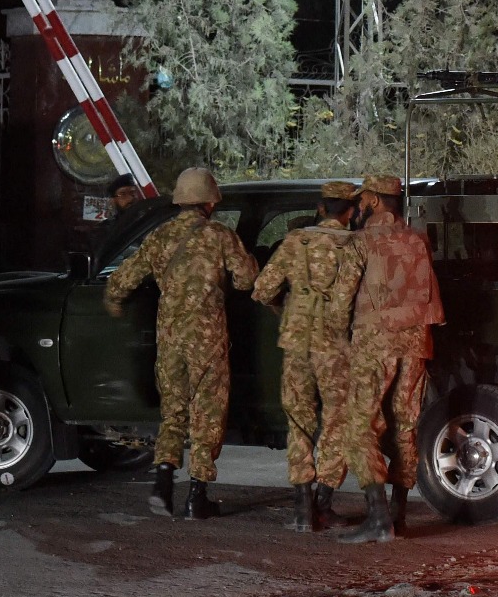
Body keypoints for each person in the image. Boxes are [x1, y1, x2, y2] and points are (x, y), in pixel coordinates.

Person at [104, 167, 258, 520]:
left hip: (170, 339)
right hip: (208, 340)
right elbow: (249, 280)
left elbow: (122, 280)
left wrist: (114, 302)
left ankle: (162, 483)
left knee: (172, 413)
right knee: (207, 413)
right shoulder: (220, 237)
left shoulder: (159, 237)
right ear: (210, 202)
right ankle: (197, 497)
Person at [251, 181, 363, 532]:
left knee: (298, 419)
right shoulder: (354, 246)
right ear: (351, 212)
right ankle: (324, 504)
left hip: (297, 341)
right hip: (336, 345)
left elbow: (262, 289)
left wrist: (286, 311)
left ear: (319, 208)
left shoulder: (294, 241)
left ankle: (301, 508)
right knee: (337, 420)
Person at [340, 174, 445, 544]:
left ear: (374, 201)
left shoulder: (362, 242)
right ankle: (398, 517)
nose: (359, 205)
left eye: (364, 199)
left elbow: (340, 298)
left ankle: (377, 516)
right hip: (416, 344)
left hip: (375, 344)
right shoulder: (418, 239)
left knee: (358, 427)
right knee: (405, 425)